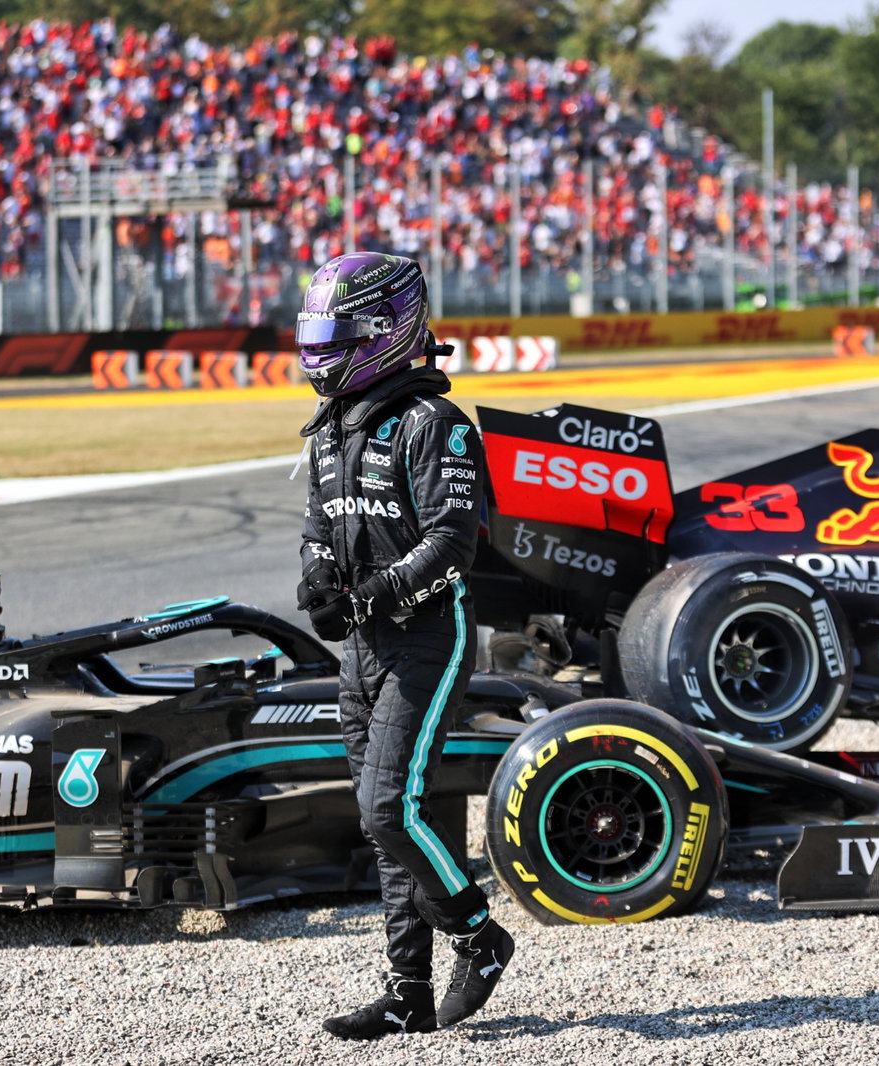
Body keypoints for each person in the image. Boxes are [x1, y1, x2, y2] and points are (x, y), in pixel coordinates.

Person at [294, 251, 514, 1039]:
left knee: (390, 808)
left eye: (335, 333)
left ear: (385, 332)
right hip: (361, 646)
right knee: (379, 821)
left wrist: (375, 593)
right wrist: (318, 580)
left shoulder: (435, 425)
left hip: (428, 637)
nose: (317, 349)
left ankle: (480, 937)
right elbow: (319, 526)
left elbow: (455, 543)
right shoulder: (331, 427)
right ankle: (406, 992)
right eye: (313, 332)